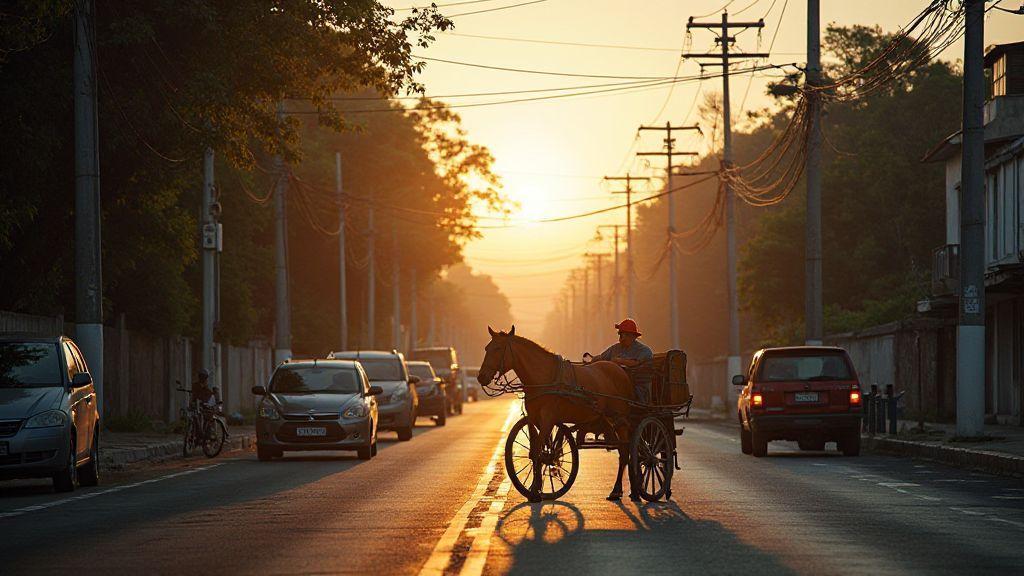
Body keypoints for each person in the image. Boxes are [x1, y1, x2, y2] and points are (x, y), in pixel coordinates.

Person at [589, 318, 654, 403]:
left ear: (633, 336)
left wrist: (619, 361)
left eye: (625, 335)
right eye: (620, 335)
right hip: (614, 385)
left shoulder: (644, 351)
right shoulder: (615, 348)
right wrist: (594, 359)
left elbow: (635, 363)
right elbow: (602, 357)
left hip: (636, 386)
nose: (621, 338)